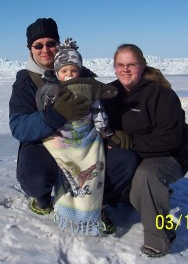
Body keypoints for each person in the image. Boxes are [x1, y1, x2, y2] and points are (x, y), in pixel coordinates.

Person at [9, 18, 139, 234]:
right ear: (29, 48)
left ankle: (96, 205)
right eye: (38, 45)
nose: (45, 50)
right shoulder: (26, 82)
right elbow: (19, 127)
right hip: (47, 144)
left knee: (125, 160)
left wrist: (112, 131)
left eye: (50, 43)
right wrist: (54, 115)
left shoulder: (83, 76)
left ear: (59, 44)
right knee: (34, 176)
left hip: (84, 142)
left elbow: (101, 109)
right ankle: (42, 200)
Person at [102, 44, 188, 257]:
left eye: (131, 64)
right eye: (120, 65)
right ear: (114, 68)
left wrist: (130, 142)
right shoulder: (109, 93)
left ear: (142, 65)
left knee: (146, 176)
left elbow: (170, 139)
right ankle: (110, 202)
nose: (125, 69)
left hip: (167, 157)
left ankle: (160, 237)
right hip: (132, 156)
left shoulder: (162, 95)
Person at [35, 38, 118, 235]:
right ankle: (62, 202)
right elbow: (43, 111)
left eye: (73, 71)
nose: (69, 75)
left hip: (86, 134)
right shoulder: (51, 91)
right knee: (61, 163)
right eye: (64, 71)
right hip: (62, 135)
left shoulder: (90, 90)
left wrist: (104, 130)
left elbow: (98, 112)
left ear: (80, 71)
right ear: (57, 73)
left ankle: (93, 208)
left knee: (94, 162)